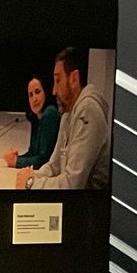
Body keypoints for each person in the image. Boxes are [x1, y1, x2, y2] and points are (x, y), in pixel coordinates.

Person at [20, 47, 110, 191]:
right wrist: (32, 177)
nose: (54, 90)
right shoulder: (67, 115)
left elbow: (72, 183)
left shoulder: (88, 110)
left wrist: (30, 184)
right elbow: (54, 166)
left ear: (73, 79)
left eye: (58, 80)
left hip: (89, 207)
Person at [2, 73, 60, 172]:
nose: (34, 99)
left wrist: (17, 161)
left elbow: (44, 159)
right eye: (30, 95)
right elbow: (32, 153)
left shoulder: (50, 113)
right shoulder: (36, 118)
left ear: (46, 91)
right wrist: (16, 158)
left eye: (37, 92)